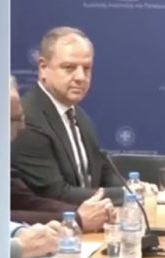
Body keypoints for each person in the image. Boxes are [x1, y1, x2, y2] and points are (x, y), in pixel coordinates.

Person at [11, 27, 128, 205]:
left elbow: (104, 171)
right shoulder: (27, 119)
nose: (81, 77)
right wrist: (126, 195)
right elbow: (55, 193)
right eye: (69, 68)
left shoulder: (79, 116)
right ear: (43, 68)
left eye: (86, 68)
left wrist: (133, 188)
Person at [9, 75, 115, 231]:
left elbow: (25, 200)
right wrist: (76, 219)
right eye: (15, 119)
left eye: (21, 118)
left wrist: (82, 213)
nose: (22, 127)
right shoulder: (34, 121)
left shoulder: (81, 117)